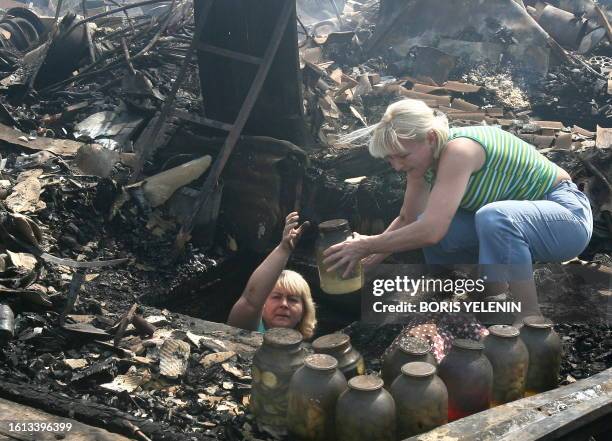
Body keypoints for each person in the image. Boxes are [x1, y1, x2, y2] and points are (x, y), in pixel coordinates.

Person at [323, 98, 593, 326]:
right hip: (518, 227)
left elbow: (431, 231)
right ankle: (458, 295)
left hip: (566, 218)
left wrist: (366, 244)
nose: (396, 166)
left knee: (492, 217)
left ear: (429, 138)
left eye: (402, 156)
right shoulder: (423, 164)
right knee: (439, 229)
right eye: (390, 159)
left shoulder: (459, 150)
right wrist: (370, 257)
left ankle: (525, 319)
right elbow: (408, 219)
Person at [227, 212, 317, 339]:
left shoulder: (309, 352)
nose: (284, 304)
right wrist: (284, 248)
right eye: (276, 297)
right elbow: (250, 301)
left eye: (292, 299)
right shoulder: (247, 332)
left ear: (304, 311)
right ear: (262, 304)